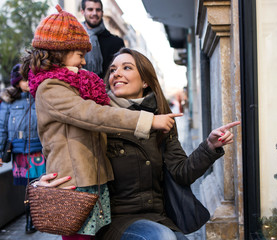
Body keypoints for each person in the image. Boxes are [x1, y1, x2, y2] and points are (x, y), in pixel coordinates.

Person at [36, 48, 240, 240]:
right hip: (114, 221)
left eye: (127, 67)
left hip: (158, 217)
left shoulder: (162, 119)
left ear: (145, 81)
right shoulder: (96, 118)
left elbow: (181, 172)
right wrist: (40, 184)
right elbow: (64, 151)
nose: (116, 73)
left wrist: (210, 146)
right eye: (113, 69)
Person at [20, 6, 181, 240]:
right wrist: (149, 120)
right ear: (61, 51)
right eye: (80, 53)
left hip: (94, 182)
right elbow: (94, 114)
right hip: (75, 186)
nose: (85, 61)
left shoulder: (77, 86)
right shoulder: (51, 87)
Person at [0, 64, 46, 234]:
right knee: (27, 188)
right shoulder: (9, 101)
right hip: (20, 152)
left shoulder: (41, 96)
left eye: (30, 78)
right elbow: (2, 127)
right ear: (17, 82)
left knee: (40, 185)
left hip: (40, 150)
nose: (27, 82)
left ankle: (40, 217)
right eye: (23, 79)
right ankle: (30, 219)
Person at [81, 0, 125, 79]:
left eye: (98, 10)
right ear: (82, 11)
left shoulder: (116, 42)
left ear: (102, 12)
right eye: (90, 9)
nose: (94, 13)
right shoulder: (74, 39)